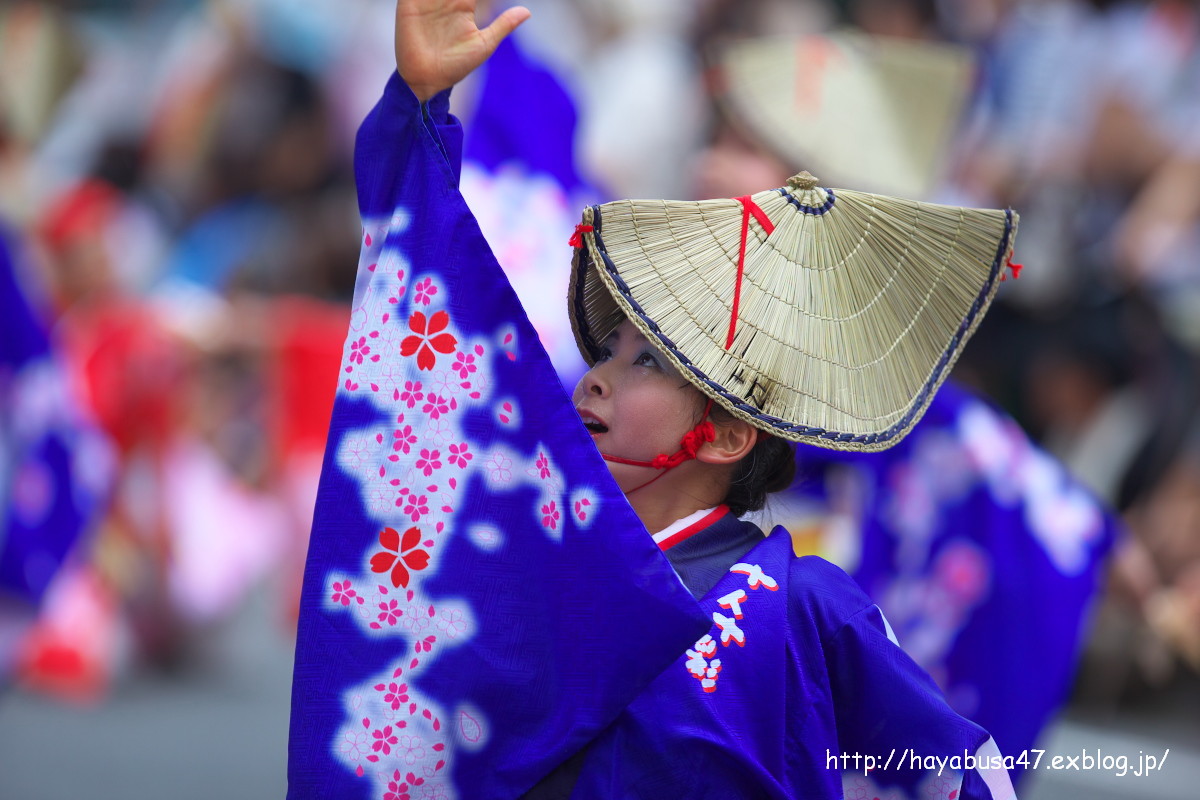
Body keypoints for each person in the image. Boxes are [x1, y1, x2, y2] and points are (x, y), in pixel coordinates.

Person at [289, 2, 1020, 798]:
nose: (592, 377)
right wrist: (418, 116)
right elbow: (428, 326)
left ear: (727, 435)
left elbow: (959, 777)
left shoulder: (801, 604)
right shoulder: (533, 564)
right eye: (601, 353)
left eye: (647, 364)